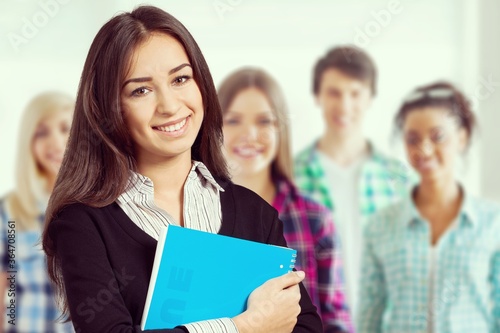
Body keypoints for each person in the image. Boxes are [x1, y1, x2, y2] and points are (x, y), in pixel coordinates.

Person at [41, 6, 322, 333]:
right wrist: (246, 326)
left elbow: (304, 326)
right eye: (141, 90)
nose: (170, 106)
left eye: (180, 79)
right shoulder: (82, 223)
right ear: (109, 110)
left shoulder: (256, 213)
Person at [218, 67, 353, 333]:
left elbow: (336, 321)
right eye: (233, 121)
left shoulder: (315, 219)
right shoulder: (195, 210)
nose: (250, 135)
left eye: (264, 121)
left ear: (281, 129)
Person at [358, 82, 500, 332]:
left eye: (438, 137)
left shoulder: (493, 223)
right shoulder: (380, 225)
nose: (424, 149)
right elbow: (370, 315)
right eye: (413, 139)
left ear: (462, 138)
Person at [294, 45, 413, 320]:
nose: (345, 106)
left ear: (370, 97)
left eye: (355, 93)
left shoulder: (401, 179)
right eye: (334, 93)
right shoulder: (291, 176)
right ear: (317, 96)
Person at [0, 92, 74, 332]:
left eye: (65, 129)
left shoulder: (100, 205)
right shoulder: (10, 210)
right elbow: (5, 282)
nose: (55, 142)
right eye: (41, 133)